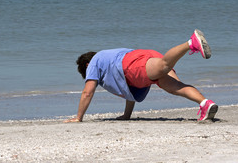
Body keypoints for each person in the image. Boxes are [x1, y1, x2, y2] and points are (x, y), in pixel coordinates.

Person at [64, 29, 218, 123]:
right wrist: (126, 115)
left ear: (86, 65)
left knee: (165, 65)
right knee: (177, 87)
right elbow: (129, 90)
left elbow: (87, 92)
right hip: (145, 56)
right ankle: (205, 103)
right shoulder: (108, 57)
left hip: (133, 63)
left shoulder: (94, 62)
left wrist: (79, 117)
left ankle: (191, 43)